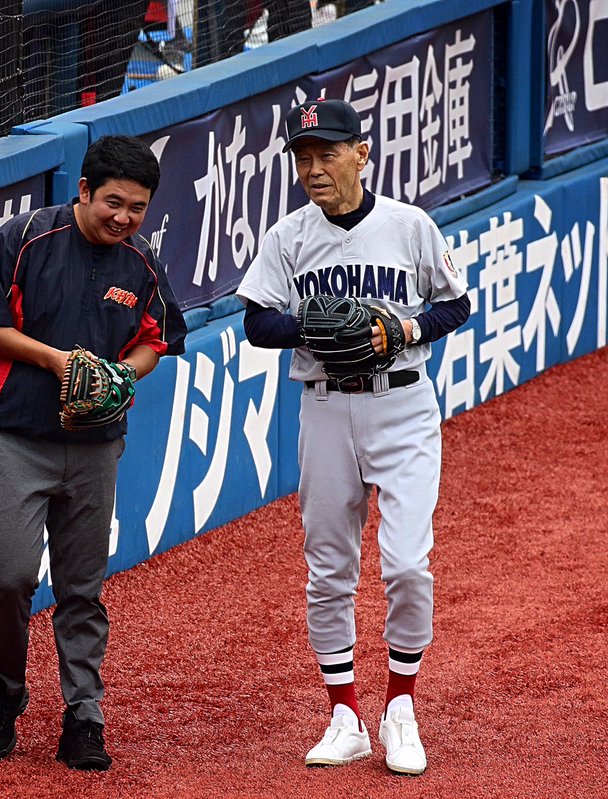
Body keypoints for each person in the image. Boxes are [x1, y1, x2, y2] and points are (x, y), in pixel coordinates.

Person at [236, 98, 470, 776]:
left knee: (405, 564)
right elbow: (256, 323)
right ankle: (344, 714)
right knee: (329, 567)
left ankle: (401, 707)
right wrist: (315, 327)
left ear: (362, 153)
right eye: (302, 157)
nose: (313, 168)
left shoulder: (409, 225)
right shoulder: (289, 237)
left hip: (403, 408)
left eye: (326, 153)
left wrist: (405, 329)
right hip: (325, 409)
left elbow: (455, 302)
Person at [0, 135, 187, 771]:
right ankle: (4, 693)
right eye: (113, 202)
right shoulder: (25, 238)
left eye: (137, 207)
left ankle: (84, 713)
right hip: (15, 437)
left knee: (83, 588)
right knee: (11, 576)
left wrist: (122, 376)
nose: (124, 218)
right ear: (83, 191)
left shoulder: (142, 261)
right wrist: (58, 361)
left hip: (93, 448)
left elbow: (156, 338)